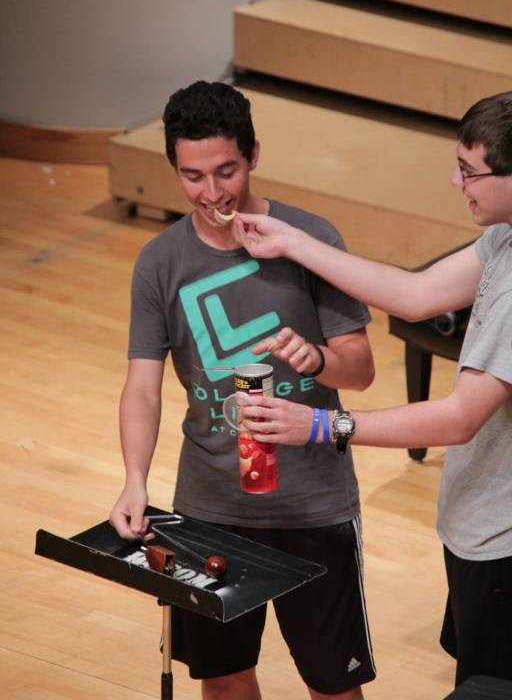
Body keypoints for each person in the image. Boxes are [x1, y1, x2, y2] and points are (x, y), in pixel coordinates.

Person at [232, 90, 512, 689]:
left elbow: (460, 418)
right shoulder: (504, 238)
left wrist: (321, 424)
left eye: (469, 172)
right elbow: (415, 294)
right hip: (483, 530)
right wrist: (291, 241)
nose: (455, 182)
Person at [109, 80, 377, 700]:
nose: (212, 193)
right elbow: (142, 387)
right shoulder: (159, 261)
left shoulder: (310, 238)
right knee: (225, 682)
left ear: (254, 154)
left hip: (313, 506)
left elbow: (360, 370)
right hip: (208, 509)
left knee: (333, 688)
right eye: (192, 176)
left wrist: (317, 360)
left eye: (225, 171)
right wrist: (134, 480)